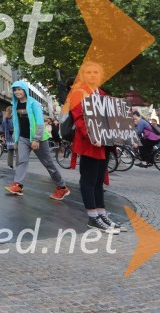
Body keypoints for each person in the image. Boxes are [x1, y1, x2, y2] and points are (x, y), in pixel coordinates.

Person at [66, 63, 123, 233]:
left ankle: (101, 214)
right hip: (89, 143)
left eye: (96, 72)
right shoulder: (78, 93)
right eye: (88, 72)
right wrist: (92, 135)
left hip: (104, 143)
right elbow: (79, 118)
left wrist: (123, 134)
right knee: (89, 180)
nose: (92, 75)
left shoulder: (102, 93)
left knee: (98, 180)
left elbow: (112, 118)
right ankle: (93, 217)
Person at [4, 81, 70, 200]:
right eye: (15, 90)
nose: (17, 92)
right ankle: (18, 185)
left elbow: (40, 123)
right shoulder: (15, 105)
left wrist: (36, 139)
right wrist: (16, 140)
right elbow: (16, 123)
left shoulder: (34, 103)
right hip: (23, 138)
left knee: (48, 163)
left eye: (19, 89)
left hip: (38, 138)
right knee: (21, 161)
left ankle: (62, 187)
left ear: (25, 90)